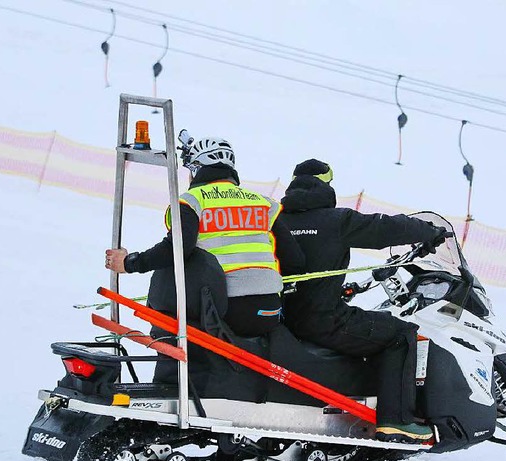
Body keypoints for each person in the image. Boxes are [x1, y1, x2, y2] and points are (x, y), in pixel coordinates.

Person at [280, 158, 450, 444]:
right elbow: (384, 228)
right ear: (326, 186)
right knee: (399, 334)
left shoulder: (277, 219)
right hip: (323, 320)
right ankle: (397, 421)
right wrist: (427, 231)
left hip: (283, 319)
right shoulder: (337, 221)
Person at [105, 136, 305, 338]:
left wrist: (130, 263)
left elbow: (176, 249)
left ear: (196, 169)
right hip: (268, 311)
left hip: (223, 312)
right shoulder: (263, 203)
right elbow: (294, 261)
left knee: (176, 268)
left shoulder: (193, 201)